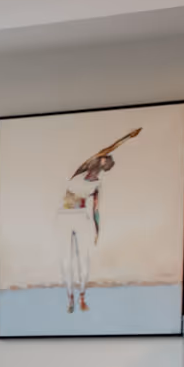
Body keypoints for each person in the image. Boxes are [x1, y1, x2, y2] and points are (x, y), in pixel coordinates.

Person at [58, 128, 139, 314]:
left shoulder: (96, 184)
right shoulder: (81, 170)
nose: (103, 160)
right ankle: (70, 297)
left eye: (105, 162)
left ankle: (82, 296)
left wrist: (97, 230)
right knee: (67, 259)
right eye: (104, 159)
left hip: (80, 217)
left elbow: (95, 210)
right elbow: (111, 146)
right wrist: (127, 137)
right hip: (65, 216)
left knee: (83, 258)